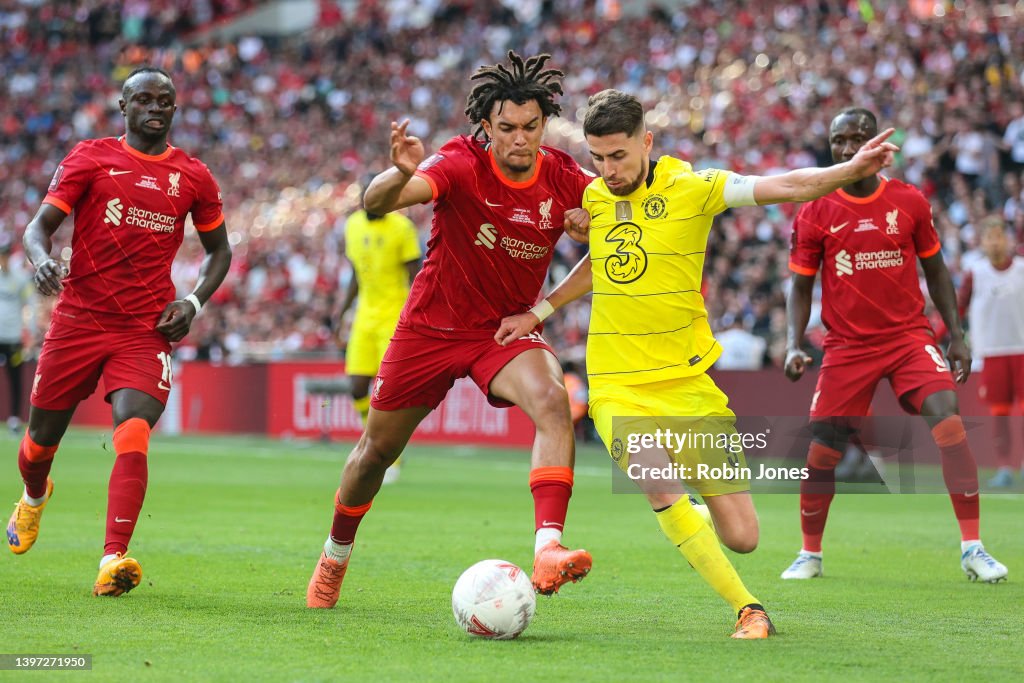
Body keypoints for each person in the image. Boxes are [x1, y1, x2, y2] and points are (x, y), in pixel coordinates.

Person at [495, 88, 899, 638]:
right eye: (598, 158)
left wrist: (847, 169)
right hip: (617, 385)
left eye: (619, 156)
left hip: (688, 387)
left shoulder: (695, 187)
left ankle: (696, 519)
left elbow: (786, 185)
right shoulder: (594, 197)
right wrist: (539, 310)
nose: (608, 171)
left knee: (743, 536)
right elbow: (600, 265)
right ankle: (748, 609)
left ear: (647, 142)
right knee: (658, 484)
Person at [305, 51, 594, 609]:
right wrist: (402, 173)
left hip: (502, 332)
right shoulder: (459, 162)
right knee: (375, 453)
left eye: (531, 127)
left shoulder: (564, 176)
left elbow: (617, 239)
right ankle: (334, 556)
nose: (519, 139)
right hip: (430, 329)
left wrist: (548, 303)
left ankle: (548, 549)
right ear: (485, 126)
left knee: (554, 402)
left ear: (544, 124)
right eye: (506, 127)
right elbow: (374, 203)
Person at [5, 67, 232, 596]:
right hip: (78, 320)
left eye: (166, 101)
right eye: (145, 99)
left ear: (175, 110)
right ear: (123, 106)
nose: (156, 108)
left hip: (144, 327)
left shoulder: (194, 176)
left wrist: (193, 301)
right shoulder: (91, 158)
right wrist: (40, 260)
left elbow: (220, 250)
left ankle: (114, 558)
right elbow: (39, 228)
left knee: (133, 429)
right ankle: (34, 497)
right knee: (39, 443)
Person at [782, 108, 1008, 583]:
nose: (848, 149)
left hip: (908, 337)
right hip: (847, 346)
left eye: (858, 138)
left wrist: (958, 335)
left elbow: (937, 270)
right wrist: (792, 343)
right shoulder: (815, 209)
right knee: (824, 448)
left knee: (947, 417)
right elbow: (800, 285)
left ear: (880, 145)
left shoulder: (909, 201)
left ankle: (973, 547)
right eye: (839, 140)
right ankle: (810, 553)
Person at [336, 200, 421, 483]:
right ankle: (373, 444)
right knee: (357, 386)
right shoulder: (353, 225)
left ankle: (390, 457)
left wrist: (417, 316)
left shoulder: (402, 227)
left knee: (389, 390)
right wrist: (343, 311)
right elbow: (355, 274)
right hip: (364, 317)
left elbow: (416, 275)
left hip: (394, 318)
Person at [959, 216, 1024, 487]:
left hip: (1021, 350)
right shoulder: (975, 272)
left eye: (999, 236)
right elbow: (959, 308)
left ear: (1008, 239)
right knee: (999, 413)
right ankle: (1005, 467)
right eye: (989, 237)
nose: (995, 242)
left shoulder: (1021, 269)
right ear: (982, 242)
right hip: (992, 352)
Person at [0, 235, 34, 433]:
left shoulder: (20, 279)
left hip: (13, 337)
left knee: (15, 379)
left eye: (5, 255)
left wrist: (28, 332)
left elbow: (30, 303)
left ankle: (14, 418)